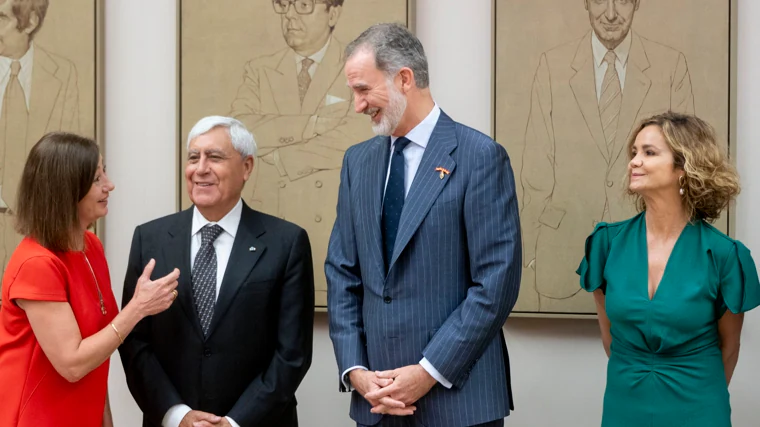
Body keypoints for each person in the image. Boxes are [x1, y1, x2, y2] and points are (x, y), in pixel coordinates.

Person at [326, 23, 521, 427]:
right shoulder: (357, 163)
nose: (358, 105)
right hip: (376, 402)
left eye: (364, 90)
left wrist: (428, 371)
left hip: (459, 403)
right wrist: (355, 370)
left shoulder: (480, 157)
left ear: (404, 78)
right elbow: (342, 272)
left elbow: (495, 284)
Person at [120, 116, 315, 427]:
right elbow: (134, 343)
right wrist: (177, 415)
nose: (200, 169)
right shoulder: (150, 239)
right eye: (193, 157)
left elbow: (292, 353)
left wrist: (234, 422)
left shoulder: (286, 243)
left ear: (247, 167)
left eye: (214, 157)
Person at [577, 112, 760, 426]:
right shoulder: (606, 244)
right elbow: (610, 337)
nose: (635, 161)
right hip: (625, 404)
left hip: (698, 407)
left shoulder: (724, 255)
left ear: (683, 167)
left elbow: (729, 347)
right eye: (634, 152)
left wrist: (698, 396)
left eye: (649, 153)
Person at [521, 0, 695, 306]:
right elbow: (536, 166)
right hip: (560, 253)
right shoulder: (553, 64)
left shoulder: (671, 65)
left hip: (649, 254)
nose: (611, 14)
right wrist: (529, 250)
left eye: (623, 1)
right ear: (586, 3)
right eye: (600, 0)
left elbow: (687, 166)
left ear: (637, 3)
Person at [0, 132, 179, 427]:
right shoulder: (37, 264)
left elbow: (99, 347)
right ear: (65, 190)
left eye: (104, 173)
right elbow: (73, 363)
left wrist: (104, 419)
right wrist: (138, 309)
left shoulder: (91, 246)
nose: (109, 185)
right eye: (96, 179)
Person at [230, 0, 372, 305]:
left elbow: (356, 135)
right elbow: (241, 131)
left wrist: (281, 158)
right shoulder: (260, 69)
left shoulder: (357, 66)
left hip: (331, 222)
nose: (290, 15)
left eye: (304, 5)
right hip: (269, 221)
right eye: (285, 4)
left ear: (332, 12)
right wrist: (312, 125)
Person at [0, 0, 81, 271]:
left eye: (1, 17)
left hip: (35, 229)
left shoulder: (63, 74)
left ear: (30, 22)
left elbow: (68, 163)